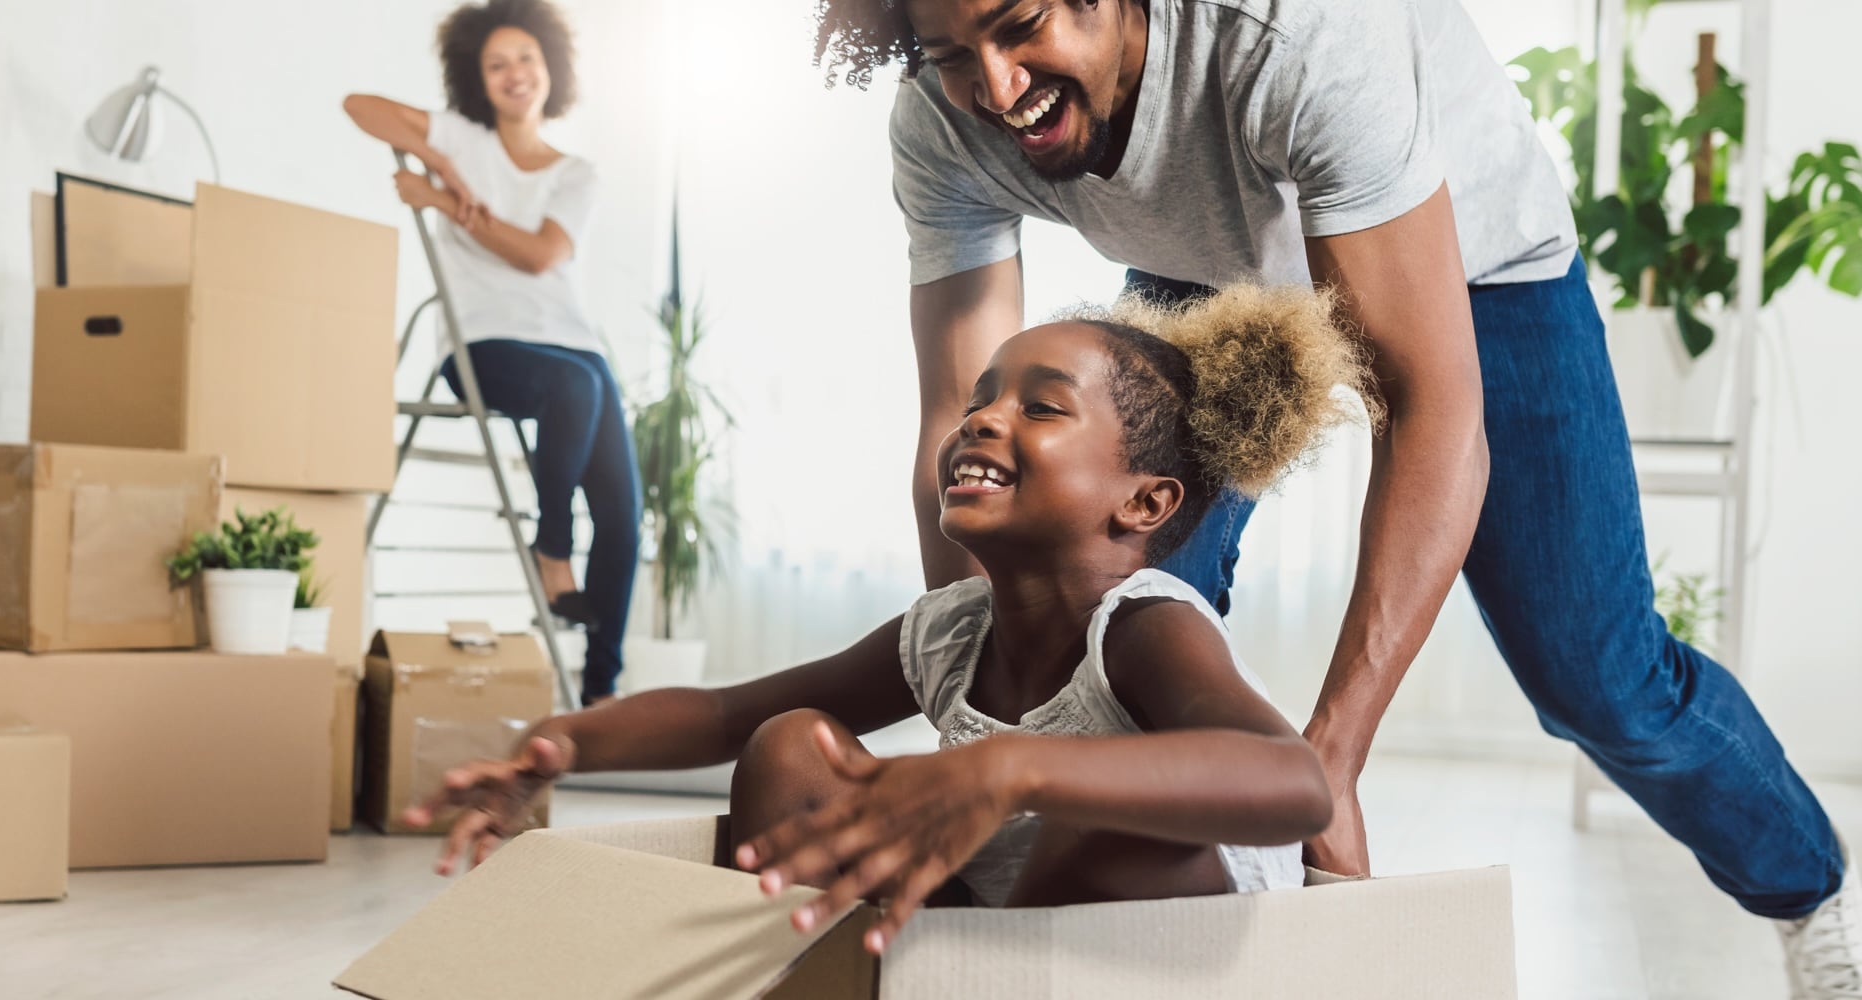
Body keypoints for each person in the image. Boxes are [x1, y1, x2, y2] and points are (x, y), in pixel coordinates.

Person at [813, 0, 1857, 992]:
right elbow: (958, 419)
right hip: (1198, 263)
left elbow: (1429, 406)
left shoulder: (1293, 30)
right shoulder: (942, 114)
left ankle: (1812, 892)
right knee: (1104, 602)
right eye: (949, 52)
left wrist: (1332, 756)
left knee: (1599, 677)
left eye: (1021, 25)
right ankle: (1124, 947)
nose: (994, 87)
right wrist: (978, 715)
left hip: (1475, 267)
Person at [406, 284, 1368, 952]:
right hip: (996, 915)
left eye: (1041, 408)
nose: (984, 419)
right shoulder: (951, 630)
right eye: (983, 398)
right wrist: (563, 743)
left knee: (1092, 825)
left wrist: (1009, 766)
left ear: (1144, 505)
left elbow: (1292, 784)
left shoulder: (1147, 625)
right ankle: (820, 976)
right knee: (793, 748)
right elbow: (724, 717)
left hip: (1169, 932)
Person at [344, 0, 639, 705]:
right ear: (477, 76)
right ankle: (552, 548)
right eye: (496, 63)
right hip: (482, 348)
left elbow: (540, 256)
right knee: (575, 384)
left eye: (526, 59)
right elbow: (357, 105)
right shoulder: (460, 137)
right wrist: (441, 159)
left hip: (572, 352)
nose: (514, 73)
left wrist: (446, 202)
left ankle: (601, 693)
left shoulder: (576, 173)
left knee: (624, 519)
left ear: (550, 68)